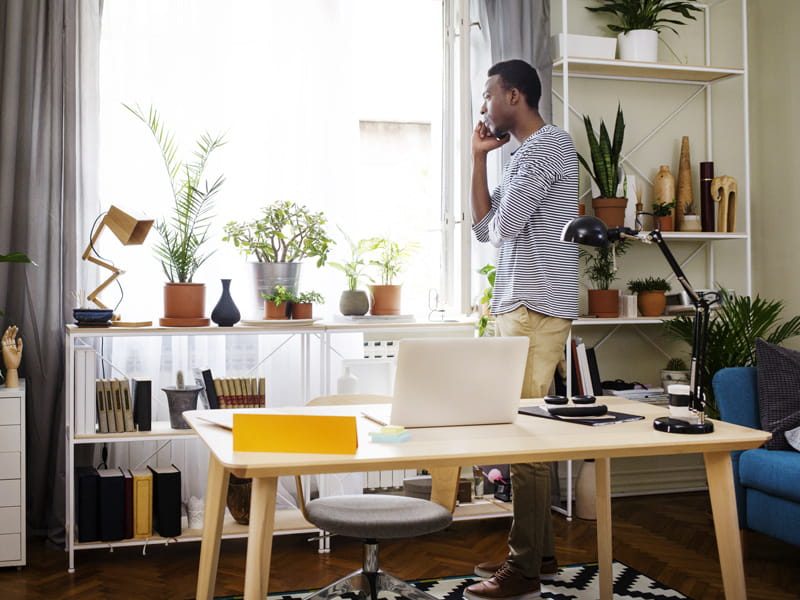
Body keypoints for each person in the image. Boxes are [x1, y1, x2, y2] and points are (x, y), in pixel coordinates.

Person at [464, 59, 578, 600]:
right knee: (519, 435)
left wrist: (493, 164)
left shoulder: (547, 147)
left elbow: (503, 225)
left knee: (526, 440)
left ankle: (524, 569)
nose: (483, 106)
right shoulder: (523, 154)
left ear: (513, 95)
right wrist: (477, 159)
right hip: (517, 307)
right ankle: (542, 556)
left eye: (488, 95)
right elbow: (487, 229)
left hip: (535, 310)